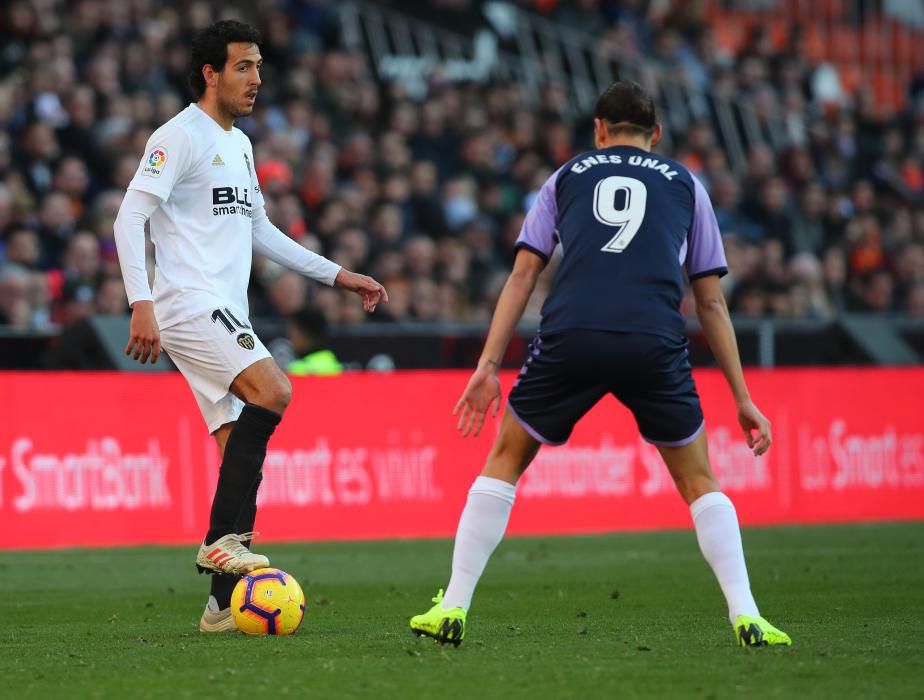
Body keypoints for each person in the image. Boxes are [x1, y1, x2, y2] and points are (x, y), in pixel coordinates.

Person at [409, 81, 791, 648]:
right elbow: (710, 301)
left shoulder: (565, 177)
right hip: (652, 337)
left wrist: (488, 364)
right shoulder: (687, 184)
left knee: (506, 459)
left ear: (599, 130)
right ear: (656, 133)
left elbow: (524, 273)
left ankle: (454, 606)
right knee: (698, 480)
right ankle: (747, 613)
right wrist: (742, 397)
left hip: (574, 333)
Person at [113, 20, 387, 633]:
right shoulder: (179, 135)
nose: (257, 78)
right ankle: (219, 541)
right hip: (188, 304)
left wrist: (338, 275)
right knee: (275, 390)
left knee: (239, 450)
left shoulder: (239, 145)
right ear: (211, 74)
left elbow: (261, 230)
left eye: (259, 66)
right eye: (244, 67)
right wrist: (140, 301)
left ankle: (219, 607)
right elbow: (129, 218)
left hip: (222, 309)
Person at [286, 306, 343, 376]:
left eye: (294, 330)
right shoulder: (332, 360)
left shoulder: (298, 370)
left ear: (306, 334)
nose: (290, 335)